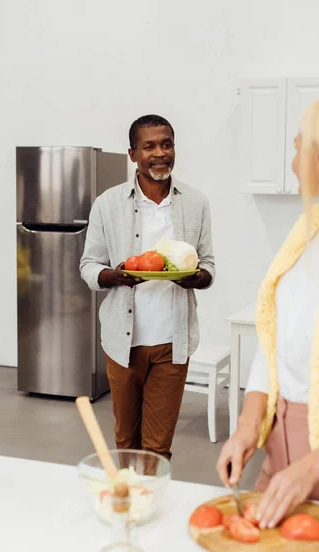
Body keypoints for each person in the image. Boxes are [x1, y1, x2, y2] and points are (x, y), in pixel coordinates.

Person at [217, 91, 319, 527]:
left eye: (297, 146)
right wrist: (249, 426)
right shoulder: (306, 233)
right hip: (280, 459)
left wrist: (310, 468)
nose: (293, 163)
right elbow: (271, 345)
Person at [80, 114, 215, 461]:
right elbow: (88, 266)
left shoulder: (196, 202)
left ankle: (151, 506)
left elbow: (209, 265)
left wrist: (197, 278)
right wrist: (116, 276)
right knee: (126, 441)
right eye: (149, 146)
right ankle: (130, 509)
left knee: (157, 447)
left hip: (174, 342)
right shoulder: (107, 204)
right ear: (132, 154)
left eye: (166, 144)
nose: (160, 153)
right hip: (123, 342)